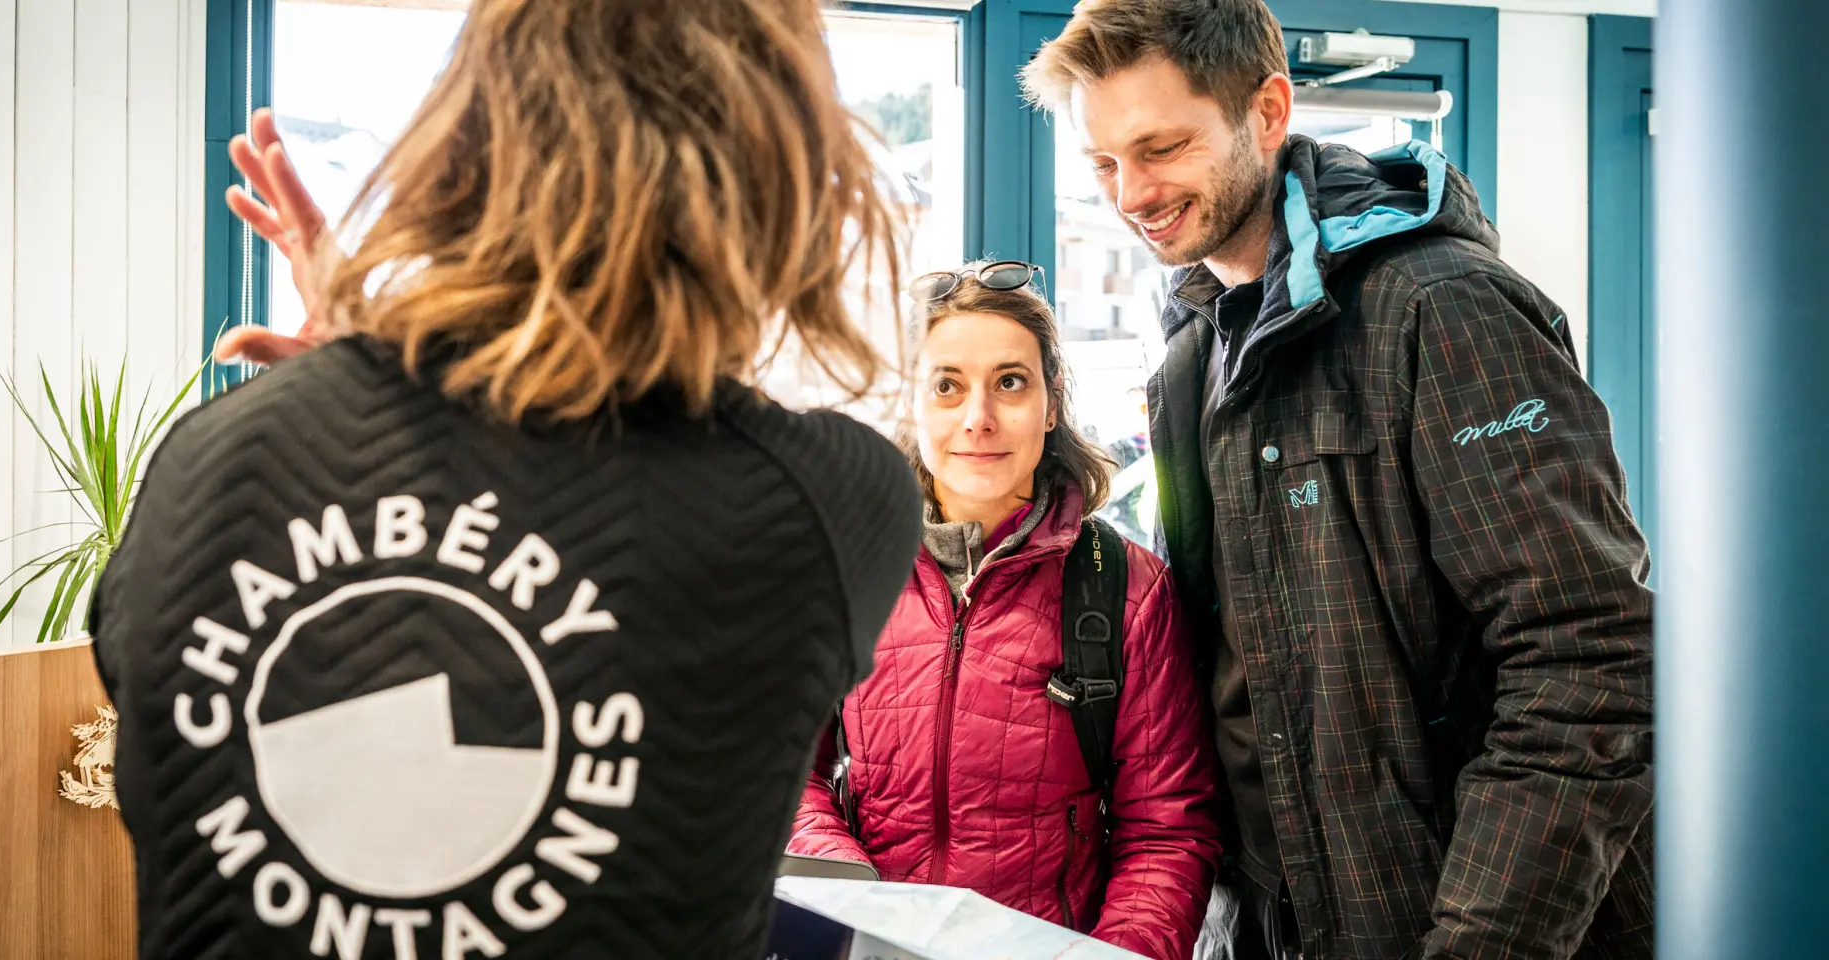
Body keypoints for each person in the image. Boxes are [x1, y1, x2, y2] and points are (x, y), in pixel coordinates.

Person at [87, 1, 925, 957]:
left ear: (458, 148)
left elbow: (143, 687)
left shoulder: (213, 455)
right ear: (776, 182)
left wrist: (358, 379)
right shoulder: (821, 502)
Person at [1020, 2, 1654, 959]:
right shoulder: (1196, 343)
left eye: (1162, 148)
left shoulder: (1442, 308)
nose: (1130, 194)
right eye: (1104, 163)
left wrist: (1480, 945)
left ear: (1269, 111)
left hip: (1457, 922)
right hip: (1280, 915)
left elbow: (1590, 657)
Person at [787, 261, 1223, 960]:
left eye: (1010, 382)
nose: (978, 418)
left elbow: (1166, 832)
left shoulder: (1126, 591)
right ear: (911, 404)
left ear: (1052, 405)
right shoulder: (844, 571)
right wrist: (856, 897)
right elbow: (784, 774)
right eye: (947, 385)